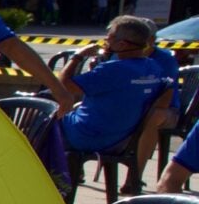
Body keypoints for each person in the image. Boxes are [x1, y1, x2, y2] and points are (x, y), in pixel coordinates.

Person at [54, 16, 182, 186]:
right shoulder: (154, 67)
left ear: (122, 44)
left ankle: (54, 182)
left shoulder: (113, 69)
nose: (106, 40)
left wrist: (77, 56)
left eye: (110, 36)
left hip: (88, 136)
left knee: (34, 126)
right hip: (123, 139)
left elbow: (62, 86)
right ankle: (69, 173)